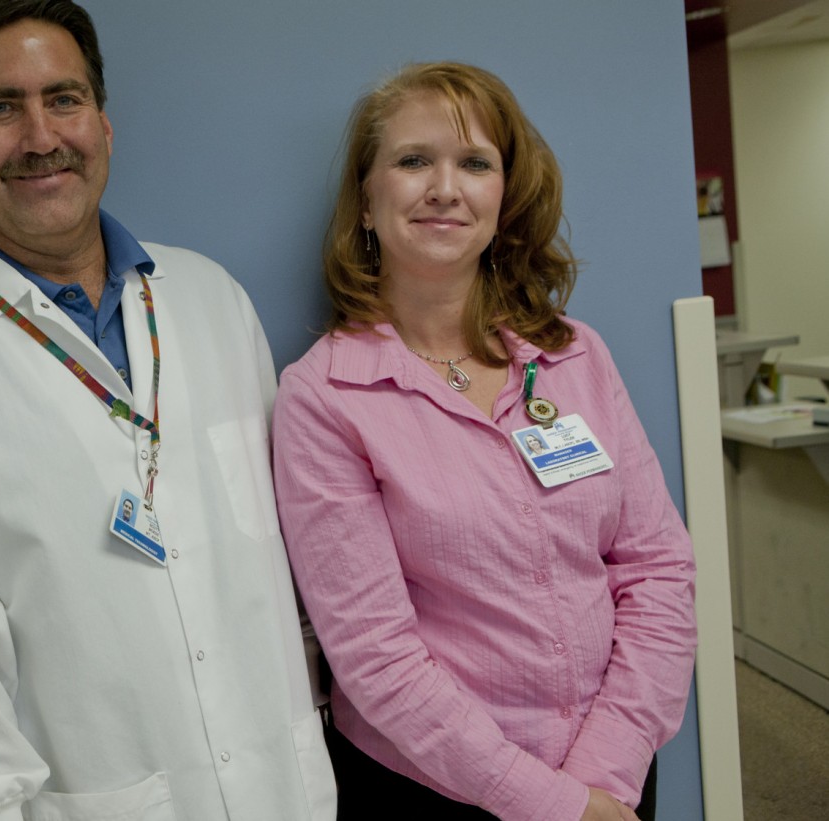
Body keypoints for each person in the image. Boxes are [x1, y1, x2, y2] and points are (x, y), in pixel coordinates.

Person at [0, 2, 336, 818]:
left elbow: (291, 565)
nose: (41, 136)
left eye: (63, 99)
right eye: (1, 107)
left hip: (288, 790)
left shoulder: (212, 300)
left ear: (104, 124)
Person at [272, 62, 697, 821]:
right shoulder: (326, 398)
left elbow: (658, 568)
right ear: (366, 201)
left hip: (614, 779)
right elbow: (376, 657)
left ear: (503, 199)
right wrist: (552, 804)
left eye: (475, 163)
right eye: (412, 161)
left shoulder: (576, 357)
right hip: (439, 792)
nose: (446, 187)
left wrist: (605, 771)